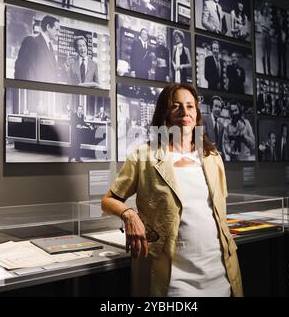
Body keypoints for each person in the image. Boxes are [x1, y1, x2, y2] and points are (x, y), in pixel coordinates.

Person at [101, 83, 243, 297]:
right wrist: (129, 214)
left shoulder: (212, 157)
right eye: (176, 106)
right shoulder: (144, 156)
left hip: (219, 272)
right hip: (175, 280)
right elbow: (108, 200)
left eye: (190, 106)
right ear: (164, 113)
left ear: (197, 114)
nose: (185, 112)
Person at [14, 15, 60, 83]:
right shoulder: (31, 40)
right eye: (57, 29)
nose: (58, 33)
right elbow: (20, 68)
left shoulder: (50, 46)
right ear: (48, 27)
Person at [273, 8, 289, 79]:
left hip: (283, 43)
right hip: (279, 42)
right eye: (277, 14)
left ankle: (285, 75)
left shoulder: (285, 22)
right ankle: (279, 74)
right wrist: (276, 34)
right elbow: (276, 31)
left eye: (279, 13)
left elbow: (287, 33)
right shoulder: (277, 22)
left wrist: (285, 40)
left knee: (284, 59)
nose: (278, 15)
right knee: (279, 59)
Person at [258, 2, 272, 76]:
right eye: (264, 9)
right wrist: (265, 27)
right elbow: (263, 27)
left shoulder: (268, 17)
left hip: (268, 35)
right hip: (263, 35)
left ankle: (269, 71)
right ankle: (264, 72)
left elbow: (269, 27)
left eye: (266, 9)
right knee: (264, 54)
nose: (265, 10)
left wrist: (266, 27)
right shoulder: (260, 17)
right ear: (262, 9)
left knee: (269, 54)